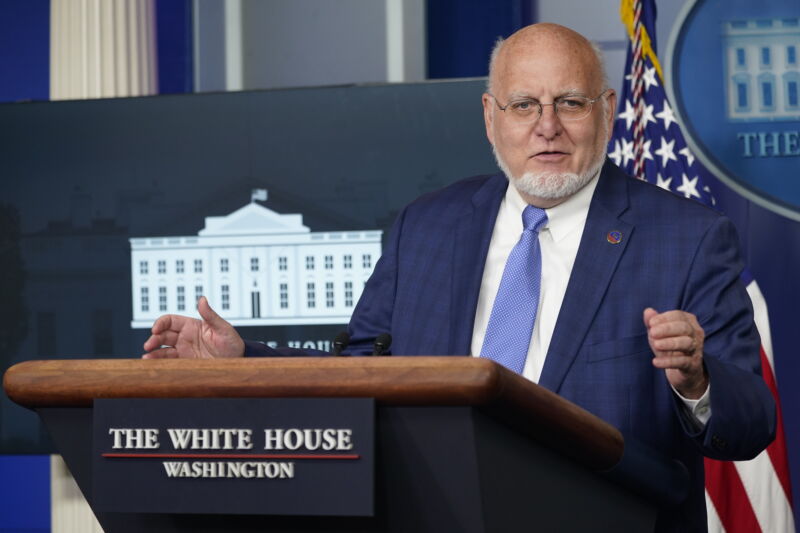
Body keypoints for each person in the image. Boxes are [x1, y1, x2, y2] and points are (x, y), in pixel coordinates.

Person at [143, 23, 775, 532]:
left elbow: (751, 424)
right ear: (489, 115)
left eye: (570, 103)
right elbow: (362, 372)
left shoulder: (688, 237)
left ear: (606, 111)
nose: (545, 125)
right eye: (523, 104)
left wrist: (696, 379)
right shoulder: (428, 225)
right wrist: (242, 360)